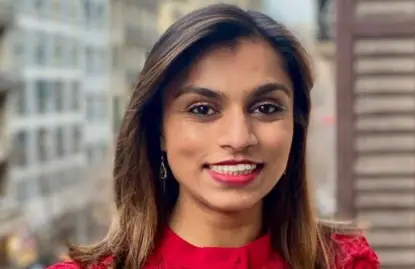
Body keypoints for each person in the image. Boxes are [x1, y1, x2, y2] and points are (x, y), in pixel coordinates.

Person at [48, 4, 379, 269]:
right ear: (158, 130)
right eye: (203, 110)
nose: (238, 138)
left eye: (265, 108)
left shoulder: (345, 262)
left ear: (296, 126)